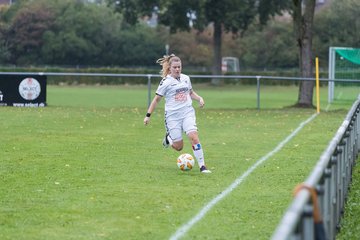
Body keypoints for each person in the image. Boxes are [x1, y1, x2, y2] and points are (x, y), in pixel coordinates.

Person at [143, 54, 211, 173]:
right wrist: (148, 116)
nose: (177, 69)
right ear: (169, 68)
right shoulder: (165, 82)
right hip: (172, 117)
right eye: (175, 67)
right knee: (179, 147)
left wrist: (199, 98)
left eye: (179, 67)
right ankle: (168, 139)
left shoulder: (186, 78)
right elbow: (156, 100)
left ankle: (202, 166)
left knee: (193, 137)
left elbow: (190, 93)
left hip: (187, 113)